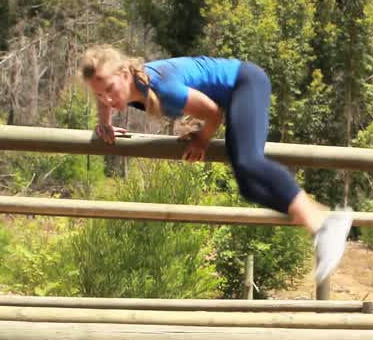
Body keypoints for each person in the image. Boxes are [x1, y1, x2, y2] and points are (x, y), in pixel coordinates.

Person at [79, 46, 353, 282]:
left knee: (249, 161)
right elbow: (103, 94)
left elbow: (213, 112)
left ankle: (324, 225)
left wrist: (201, 140)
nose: (108, 100)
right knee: (248, 187)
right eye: (100, 95)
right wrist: (105, 124)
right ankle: (321, 217)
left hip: (244, 83)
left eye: (111, 90)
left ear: (125, 74)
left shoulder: (164, 89)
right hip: (233, 94)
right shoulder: (126, 83)